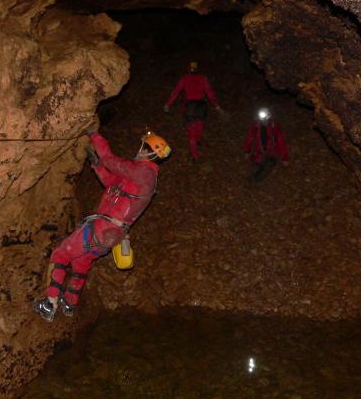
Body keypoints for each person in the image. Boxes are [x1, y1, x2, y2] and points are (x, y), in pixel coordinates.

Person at [33, 128, 171, 322]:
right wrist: (97, 166)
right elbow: (110, 181)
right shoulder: (139, 177)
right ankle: (70, 303)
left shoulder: (144, 172)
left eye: (144, 147)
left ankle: (50, 303)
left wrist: (93, 135)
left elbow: (109, 159)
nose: (140, 149)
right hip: (109, 237)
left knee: (61, 254)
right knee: (81, 263)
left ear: (151, 153)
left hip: (103, 228)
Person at [163, 61, 224, 161]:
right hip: (200, 106)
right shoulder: (203, 78)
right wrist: (216, 105)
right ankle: (198, 141)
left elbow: (176, 92)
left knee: (192, 131)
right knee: (199, 126)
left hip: (190, 107)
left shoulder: (185, 78)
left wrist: (168, 104)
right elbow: (209, 92)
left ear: (188, 69)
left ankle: (195, 155)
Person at [243, 107, 289, 182]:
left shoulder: (274, 127)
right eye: (262, 118)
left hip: (271, 153)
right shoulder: (256, 126)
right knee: (256, 166)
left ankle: (256, 181)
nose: (264, 120)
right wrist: (247, 151)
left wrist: (284, 158)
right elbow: (250, 137)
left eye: (265, 118)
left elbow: (281, 142)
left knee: (268, 166)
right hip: (259, 152)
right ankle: (251, 180)